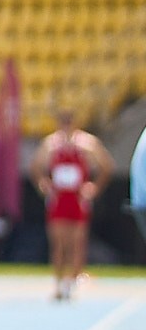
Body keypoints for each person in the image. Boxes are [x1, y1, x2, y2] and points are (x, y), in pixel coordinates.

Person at [31, 108, 114, 301]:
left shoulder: (86, 144)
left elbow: (106, 166)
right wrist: (44, 185)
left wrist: (93, 187)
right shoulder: (51, 144)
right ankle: (59, 281)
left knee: (77, 242)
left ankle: (72, 281)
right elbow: (35, 167)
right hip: (59, 199)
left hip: (77, 199)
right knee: (59, 243)